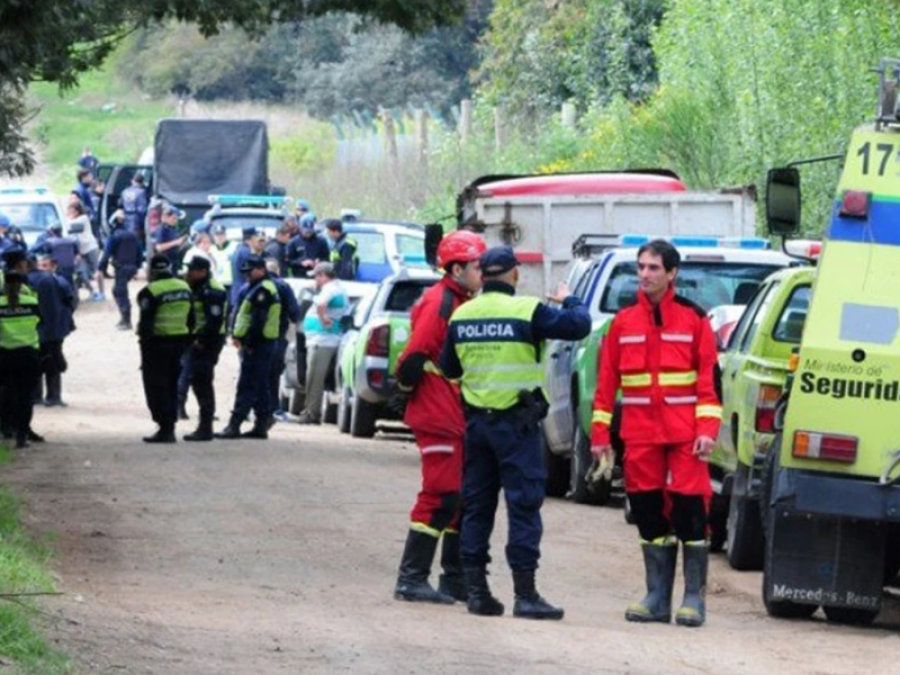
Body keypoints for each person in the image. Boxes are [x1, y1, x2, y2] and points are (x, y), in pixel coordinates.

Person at [440, 245, 591, 620]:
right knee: (523, 506)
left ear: (483, 275)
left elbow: (449, 368)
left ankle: (477, 593)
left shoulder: (462, 314)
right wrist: (569, 297)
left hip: (477, 426)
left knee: (477, 507)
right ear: (514, 274)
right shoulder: (527, 311)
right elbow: (579, 324)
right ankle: (526, 596)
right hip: (517, 426)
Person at [590, 239, 721, 628]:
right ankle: (657, 597)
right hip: (640, 434)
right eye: (641, 267)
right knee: (647, 511)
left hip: (685, 436)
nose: (645, 275)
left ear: (672, 273)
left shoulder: (694, 320)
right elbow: (605, 384)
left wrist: (708, 430)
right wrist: (599, 436)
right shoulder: (622, 323)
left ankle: (693, 598)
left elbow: (708, 384)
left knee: (690, 511)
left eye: (653, 268)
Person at [393, 231, 486, 605]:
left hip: (450, 410)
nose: (483, 273)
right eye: (478, 266)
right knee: (442, 494)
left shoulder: (457, 299)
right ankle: (411, 578)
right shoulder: (441, 302)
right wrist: (405, 393)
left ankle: (453, 580)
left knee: (459, 497)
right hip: (437, 412)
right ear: (458, 268)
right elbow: (413, 356)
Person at [216, 255, 282, 440]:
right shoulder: (257, 287)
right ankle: (261, 424)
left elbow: (258, 320)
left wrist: (249, 343)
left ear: (261, 269)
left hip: (259, 343)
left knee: (247, 384)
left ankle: (234, 425)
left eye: (250, 272)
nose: (247, 276)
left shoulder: (264, 290)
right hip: (260, 343)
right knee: (259, 384)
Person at [136, 254, 194, 443]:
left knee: (156, 386)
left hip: (157, 345)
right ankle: (170, 425)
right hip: (179, 344)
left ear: (151, 271)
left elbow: (145, 325)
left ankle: (165, 427)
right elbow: (192, 319)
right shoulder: (184, 287)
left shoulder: (150, 292)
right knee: (171, 384)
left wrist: (144, 350)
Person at [180, 257, 228, 442]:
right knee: (197, 381)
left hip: (208, 341)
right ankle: (204, 425)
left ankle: (205, 426)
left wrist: (201, 341)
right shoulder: (198, 287)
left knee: (202, 381)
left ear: (203, 271)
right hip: (198, 340)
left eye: (192, 270)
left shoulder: (212, 290)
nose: (189, 273)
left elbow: (214, 321)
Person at [295, 262, 347, 425]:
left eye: (316, 277)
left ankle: (311, 413)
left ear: (323, 276)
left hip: (322, 340)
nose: (315, 281)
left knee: (314, 379)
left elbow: (321, 304)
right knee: (314, 378)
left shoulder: (330, 289)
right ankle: (310, 411)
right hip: (322, 339)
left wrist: (323, 318)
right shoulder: (335, 287)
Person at [0, 271, 42, 448]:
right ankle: (22, 435)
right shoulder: (32, 303)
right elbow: (41, 322)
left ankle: (7, 427)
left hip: (4, 355)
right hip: (28, 354)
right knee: (26, 397)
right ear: (22, 286)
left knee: (7, 394)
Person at [28, 254, 76, 407]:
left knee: (35, 362)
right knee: (53, 361)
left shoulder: (21, 282)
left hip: (31, 330)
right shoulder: (56, 280)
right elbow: (71, 301)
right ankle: (54, 396)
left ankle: (36, 396)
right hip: (55, 330)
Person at [266, 259, 301, 423]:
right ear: (278, 271)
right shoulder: (283, 286)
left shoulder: (254, 285)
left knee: (252, 374)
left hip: (253, 338)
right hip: (277, 337)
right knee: (273, 374)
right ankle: (274, 408)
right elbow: (295, 312)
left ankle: (247, 409)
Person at [99, 210, 142, 330]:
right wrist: (137, 267)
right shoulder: (133, 235)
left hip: (121, 268)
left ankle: (127, 321)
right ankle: (124, 318)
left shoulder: (114, 236)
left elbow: (106, 254)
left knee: (120, 292)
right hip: (131, 268)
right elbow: (139, 252)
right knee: (118, 291)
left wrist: (101, 269)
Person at [66, 200, 104, 301]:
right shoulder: (71, 219)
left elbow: (70, 226)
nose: (70, 213)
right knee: (81, 272)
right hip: (80, 251)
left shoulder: (83, 218)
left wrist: (66, 219)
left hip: (90, 247)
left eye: (72, 210)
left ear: (77, 211)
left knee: (97, 270)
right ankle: (92, 292)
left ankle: (102, 292)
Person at [286, 214, 330, 279]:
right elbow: (288, 260)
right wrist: (301, 263)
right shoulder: (293, 242)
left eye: (310, 231)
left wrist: (319, 262)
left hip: (317, 275)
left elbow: (327, 258)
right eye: (306, 231)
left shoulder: (321, 241)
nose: (308, 234)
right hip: (299, 275)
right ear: (300, 228)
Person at [229, 227, 264, 307]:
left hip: (236, 290)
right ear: (252, 238)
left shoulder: (238, 249)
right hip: (244, 291)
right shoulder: (246, 253)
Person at [153, 204, 187, 269]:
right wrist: (176, 242)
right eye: (174, 218)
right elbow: (159, 247)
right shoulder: (162, 229)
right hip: (165, 263)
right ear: (166, 217)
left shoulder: (172, 228)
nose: (176, 221)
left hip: (174, 261)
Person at [210, 224, 238, 300]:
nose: (219, 237)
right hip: (217, 283)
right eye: (217, 235)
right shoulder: (211, 249)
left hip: (231, 283)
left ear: (225, 235)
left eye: (222, 235)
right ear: (213, 237)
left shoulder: (234, 246)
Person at [119, 173, 148, 239]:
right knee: (134, 238)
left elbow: (120, 204)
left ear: (132, 181)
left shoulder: (125, 191)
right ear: (141, 182)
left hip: (125, 216)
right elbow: (142, 209)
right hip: (135, 217)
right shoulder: (141, 192)